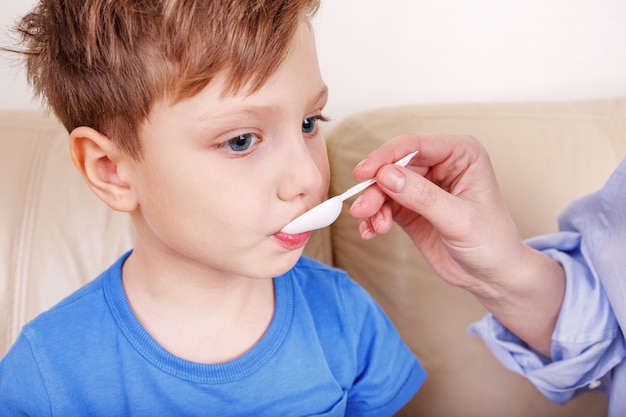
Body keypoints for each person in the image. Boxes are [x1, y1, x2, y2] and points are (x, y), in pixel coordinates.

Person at [0, 1, 426, 415]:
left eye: (309, 123)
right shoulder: (46, 375)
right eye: (241, 141)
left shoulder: (346, 317)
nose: (310, 178)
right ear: (112, 171)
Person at [349, 132, 626, 416]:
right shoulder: (346, 306)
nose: (311, 176)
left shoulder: (347, 311)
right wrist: (502, 274)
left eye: (309, 125)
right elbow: (609, 313)